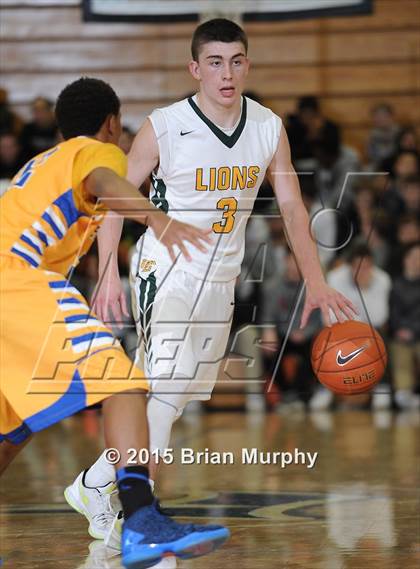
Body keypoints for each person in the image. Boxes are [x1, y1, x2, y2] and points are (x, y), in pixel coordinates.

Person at [69, 18, 357, 547]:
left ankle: (94, 483)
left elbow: (293, 207)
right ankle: (142, 515)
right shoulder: (165, 125)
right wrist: (108, 269)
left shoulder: (269, 127)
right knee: (171, 382)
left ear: (247, 64)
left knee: (171, 397)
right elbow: (113, 198)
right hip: (166, 268)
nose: (228, 73)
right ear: (195, 68)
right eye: (217, 62)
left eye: (237, 60)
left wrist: (315, 282)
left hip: (221, 277)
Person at [0, 77, 229, 568]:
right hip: (15, 277)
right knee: (123, 383)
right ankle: (143, 520)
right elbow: (106, 183)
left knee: (11, 430)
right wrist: (157, 219)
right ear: (111, 123)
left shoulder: (43, 162)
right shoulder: (96, 152)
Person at [389, 241, 420, 410]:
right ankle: (403, 393)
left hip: (418, 333)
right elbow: (393, 314)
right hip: (401, 335)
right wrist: (401, 330)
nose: (417, 262)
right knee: (400, 348)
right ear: (405, 260)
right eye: (414, 257)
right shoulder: (395, 285)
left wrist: (413, 331)